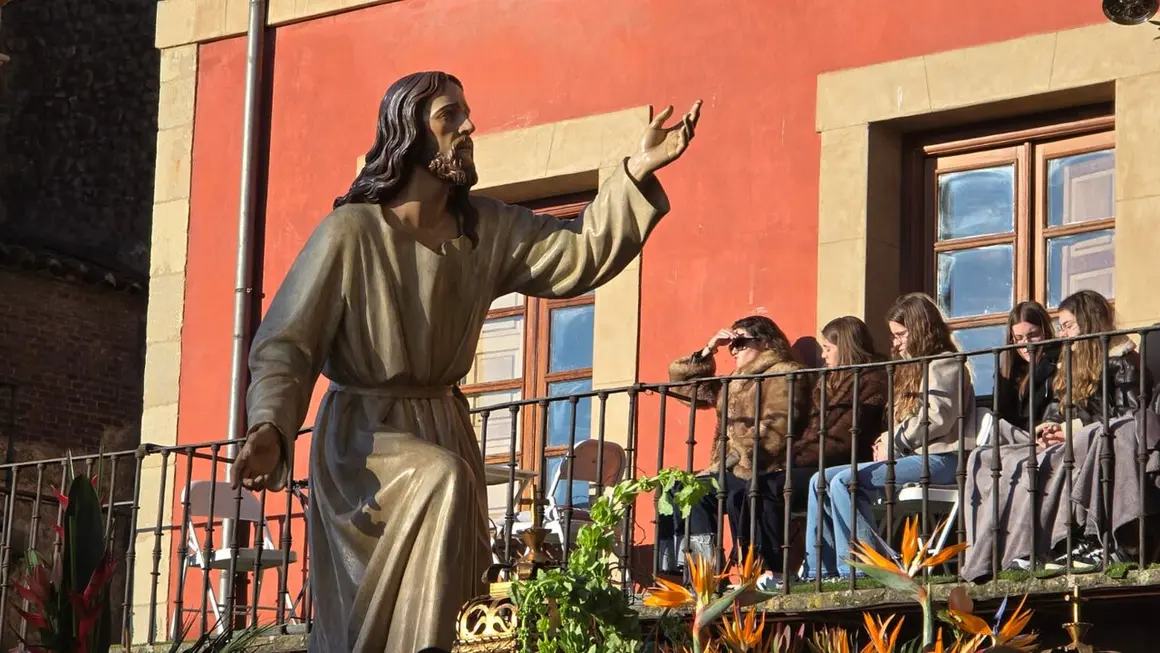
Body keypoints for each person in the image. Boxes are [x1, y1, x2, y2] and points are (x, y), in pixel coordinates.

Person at [230, 71, 702, 652]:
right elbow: (287, 342)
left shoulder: (485, 229)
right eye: (449, 116)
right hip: (365, 443)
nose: (469, 126)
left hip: (444, 425)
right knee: (439, 482)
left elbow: (578, 252)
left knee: (454, 563)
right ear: (409, 133)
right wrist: (270, 426)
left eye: (465, 113)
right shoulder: (350, 232)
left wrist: (636, 173)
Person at [801, 293, 975, 580]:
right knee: (819, 480)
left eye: (901, 334)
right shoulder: (911, 368)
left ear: (921, 329)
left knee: (845, 482)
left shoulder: (944, 363)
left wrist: (893, 441)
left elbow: (937, 418)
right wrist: (887, 439)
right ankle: (819, 570)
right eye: (894, 335)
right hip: (915, 456)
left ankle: (862, 570)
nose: (896, 342)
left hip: (943, 458)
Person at [658, 316, 810, 577]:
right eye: (730, 345)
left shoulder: (784, 373)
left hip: (761, 467)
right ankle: (687, 568)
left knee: (697, 492)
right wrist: (709, 350)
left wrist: (730, 461)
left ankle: (705, 573)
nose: (734, 350)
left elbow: (776, 428)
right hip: (729, 468)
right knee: (673, 488)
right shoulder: (735, 380)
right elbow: (687, 389)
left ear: (765, 342)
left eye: (740, 343)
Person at [1037, 289, 1144, 441]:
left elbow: (1127, 416)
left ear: (1089, 324)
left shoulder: (1122, 361)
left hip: (1100, 445)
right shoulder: (1070, 361)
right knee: (1009, 443)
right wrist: (1050, 427)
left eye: (1068, 326)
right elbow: (1057, 403)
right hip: (1071, 443)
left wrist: (1071, 430)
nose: (1062, 334)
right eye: (1061, 328)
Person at [993, 301, 1060, 430]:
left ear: (1045, 331)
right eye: (1019, 338)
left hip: (1046, 433)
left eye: (1032, 335)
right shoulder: (1007, 370)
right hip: (1016, 435)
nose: (1026, 343)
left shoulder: (1058, 361)